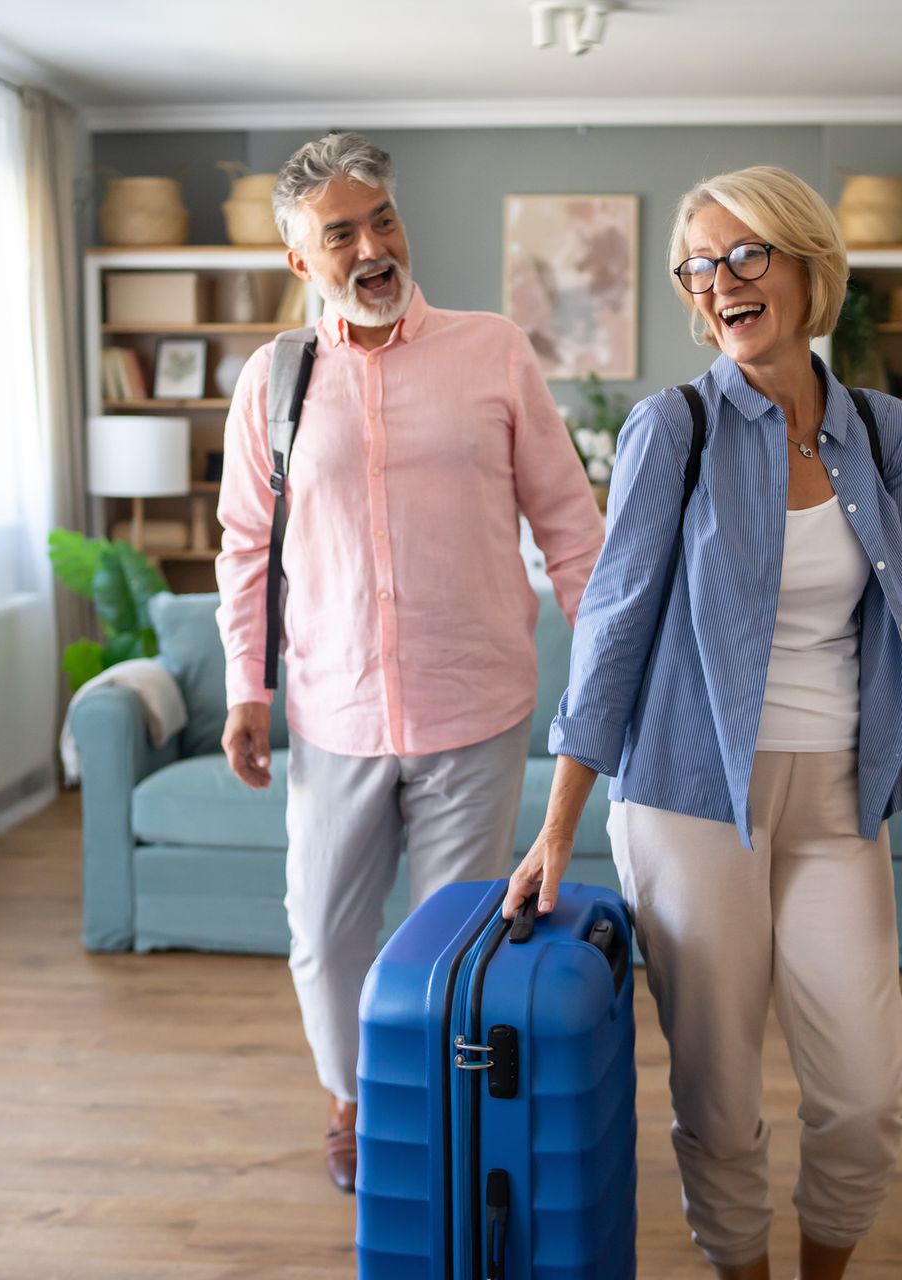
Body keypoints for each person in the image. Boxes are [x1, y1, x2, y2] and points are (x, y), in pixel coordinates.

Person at [506, 165, 902, 1280]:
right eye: (700, 267)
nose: (721, 284)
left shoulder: (884, 433)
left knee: (862, 1089)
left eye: (746, 254)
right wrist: (559, 823)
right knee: (717, 1094)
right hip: (686, 794)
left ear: (812, 265)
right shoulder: (679, 427)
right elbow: (610, 628)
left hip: (841, 793)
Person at [215, 132, 604, 1193]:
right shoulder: (275, 379)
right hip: (332, 710)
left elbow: (570, 523)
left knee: (456, 943)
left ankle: (434, 1110)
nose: (372, 245)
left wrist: (615, 672)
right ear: (303, 261)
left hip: (474, 707)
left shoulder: (492, 350)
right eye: (340, 233)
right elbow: (246, 543)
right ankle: (350, 1097)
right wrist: (246, 687)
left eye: (381, 219)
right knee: (326, 939)